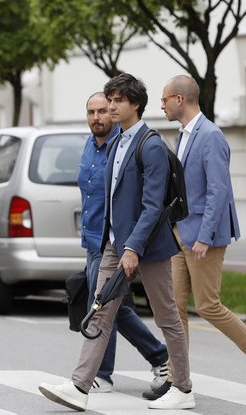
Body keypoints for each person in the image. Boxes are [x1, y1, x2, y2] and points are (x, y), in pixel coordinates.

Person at [39, 74, 194, 411]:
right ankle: (80, 386)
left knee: (167, 316)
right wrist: (113, 243)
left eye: (117, 100)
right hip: (113, 244)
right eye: (109, 99)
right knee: (99, 312)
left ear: (135, 104)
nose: (110, 106)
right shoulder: (115, 142)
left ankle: (182, 388)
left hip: (148, 247)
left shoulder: (149, 145)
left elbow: (153, 207)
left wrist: (132, 248)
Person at [145, 75, 246, 401]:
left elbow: (219, 191)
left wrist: (204, 236)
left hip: (205, 236)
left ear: (180, 99)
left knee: (208, 305)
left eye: (164, 99)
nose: (161, 105)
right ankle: (178, 379)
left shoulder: (211, 136)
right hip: (180, 234)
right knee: (174, 308)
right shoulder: (184, 135)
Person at [75, 92, 169, 393]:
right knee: (109, 304)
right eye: (91, 112)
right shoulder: (89, 147)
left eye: (103, 111)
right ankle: (157, 356)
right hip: (93, 240)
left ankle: (101, 374)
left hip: (117, 243)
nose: (97, 117)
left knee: (103, 304)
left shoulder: (123, 147)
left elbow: (144, 201)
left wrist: (131, 245)